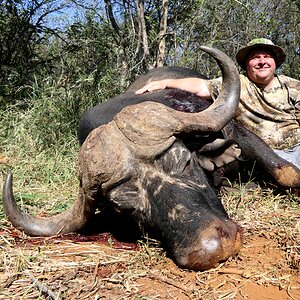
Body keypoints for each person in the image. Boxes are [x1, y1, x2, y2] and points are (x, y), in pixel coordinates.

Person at [135, 38, 300, 169]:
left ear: (275, 63)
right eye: (255, 57)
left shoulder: (293, 86)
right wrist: (165, 83)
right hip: (260, 154)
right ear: (246, 64)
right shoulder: (237, 84)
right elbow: (201, 86)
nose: (262, 61)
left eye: (267, 57)